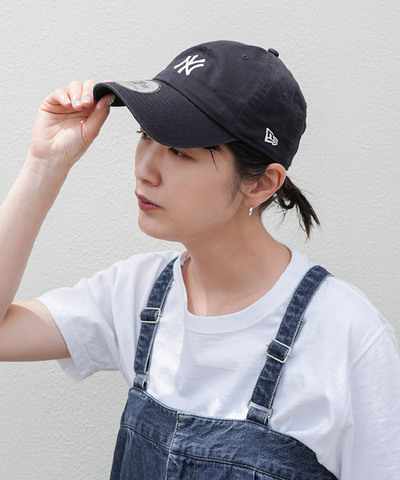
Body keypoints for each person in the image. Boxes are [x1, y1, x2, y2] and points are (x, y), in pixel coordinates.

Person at [0, 40, 399, 479]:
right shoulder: (136, 293)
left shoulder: (348, 337)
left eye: (179, 151)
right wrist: (44, 167)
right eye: (145, 135)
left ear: (262, 184)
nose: (144, 169)